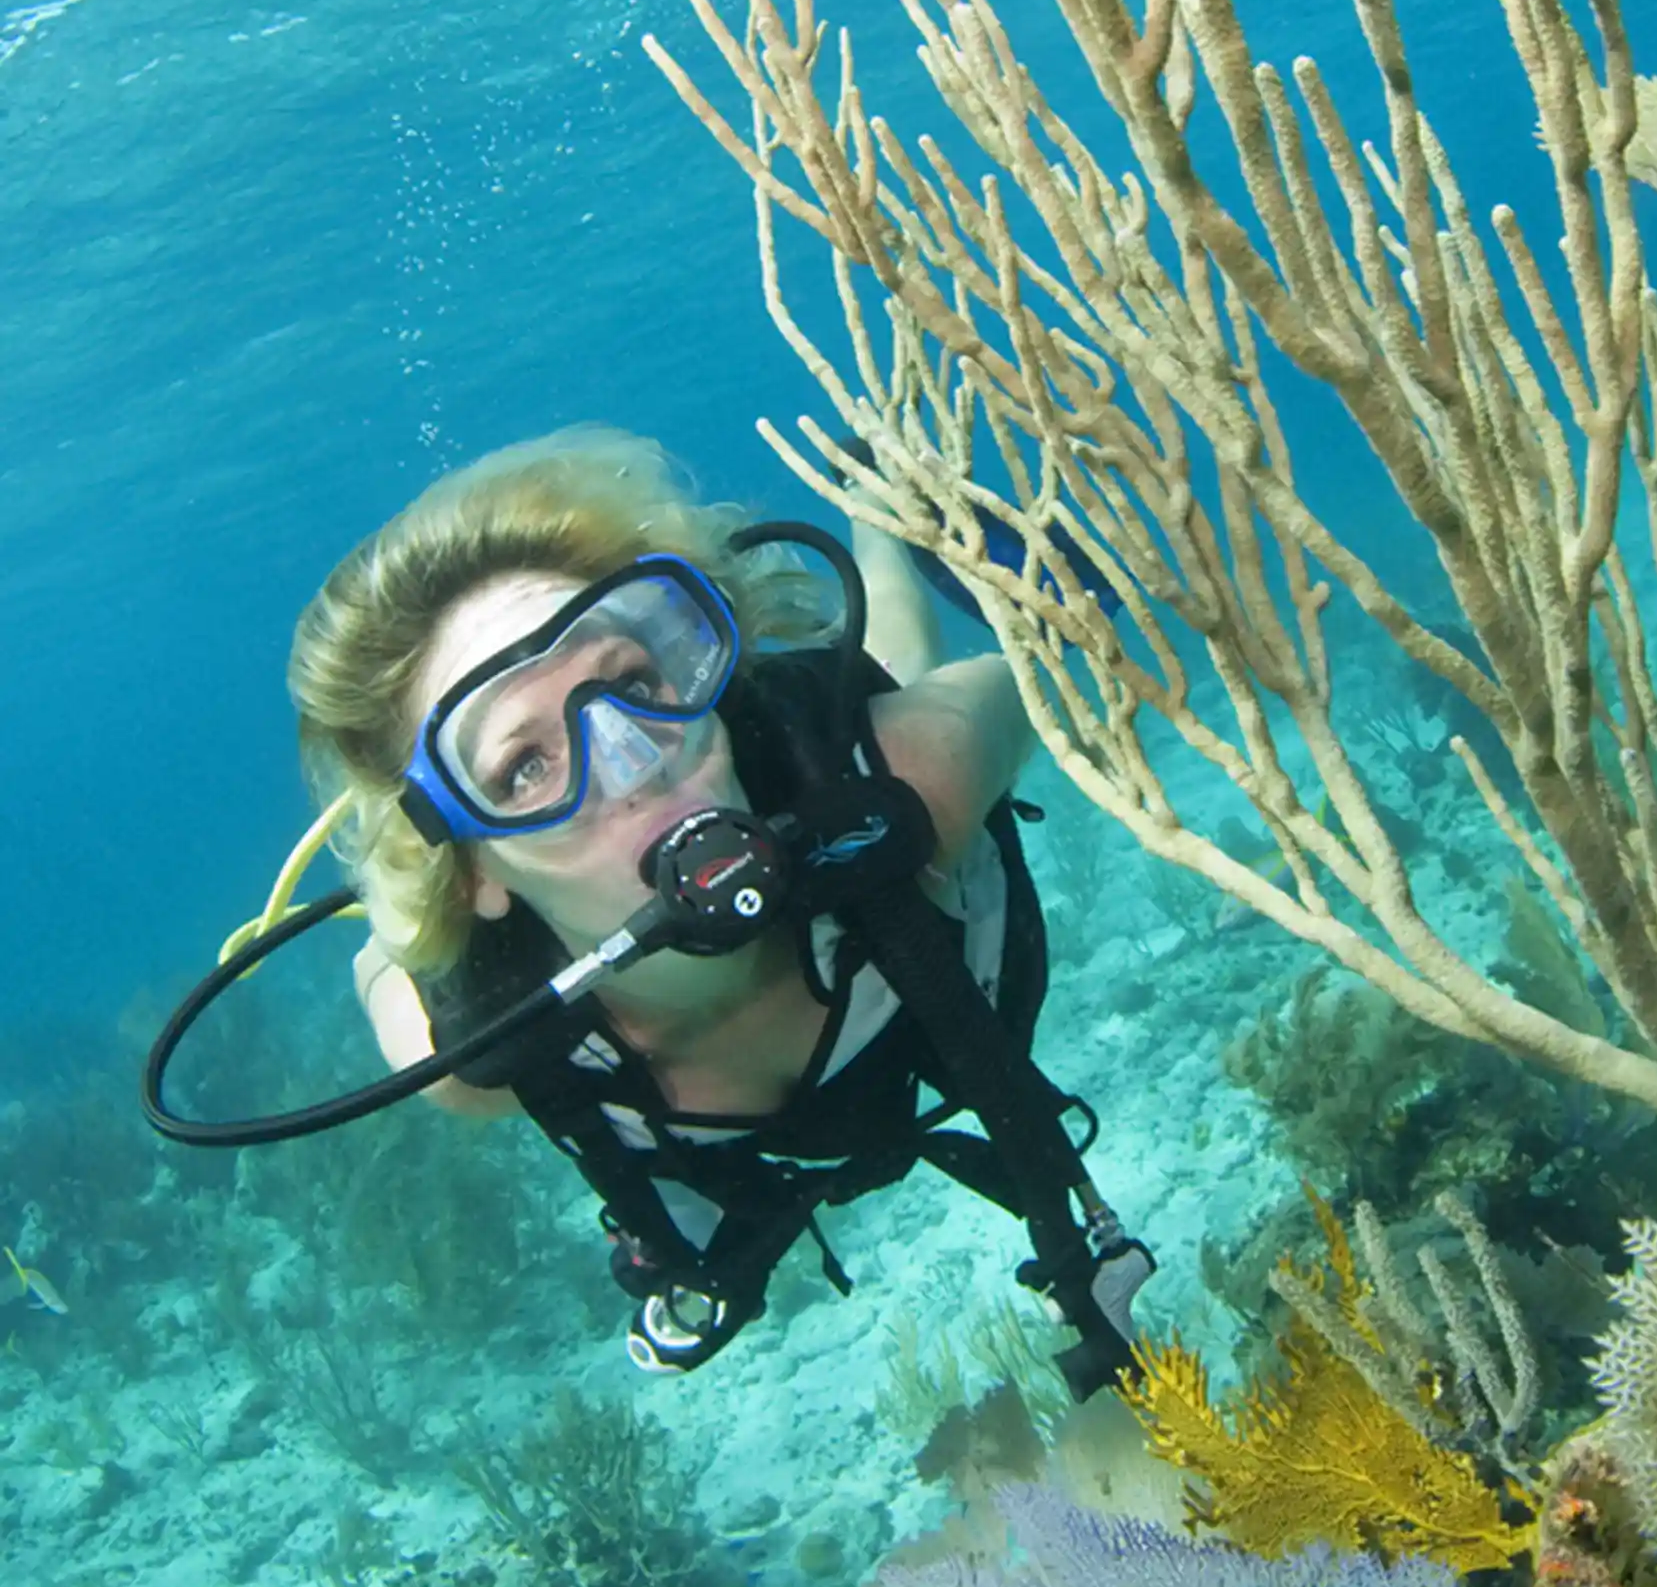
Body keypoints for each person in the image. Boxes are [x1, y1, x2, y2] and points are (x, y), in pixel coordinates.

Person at [289, 425, 1152, 1389]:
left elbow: (1042, 673)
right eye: (527, 764)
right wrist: (395, 921)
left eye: (632, 684)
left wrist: (1061, 614)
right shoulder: (471, 1057)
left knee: (894, 674)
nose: (635, 761)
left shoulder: (919, 778)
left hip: (863, 793)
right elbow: (381, 962)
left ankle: (878, 520)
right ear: (476, 874)